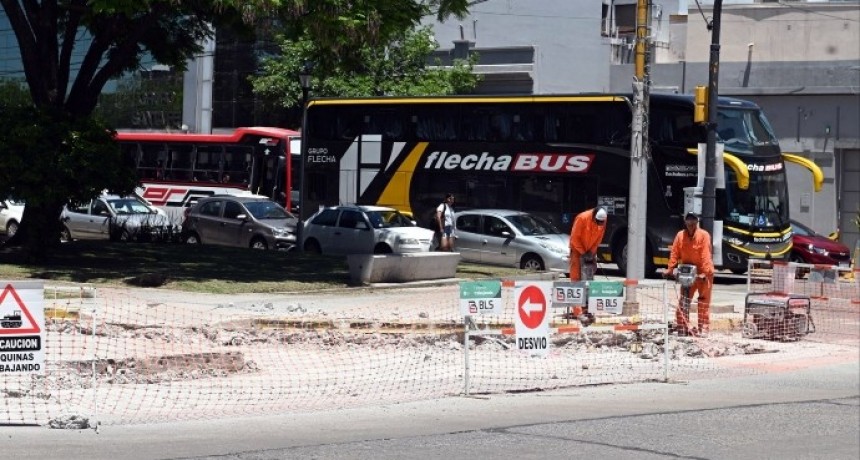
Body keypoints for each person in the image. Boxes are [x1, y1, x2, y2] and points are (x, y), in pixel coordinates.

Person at [665, 212, 715, 336]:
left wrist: (705, 273)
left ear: (697, 222)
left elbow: (705, 255)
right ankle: (682, 326)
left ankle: (703, 328)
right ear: (685, 222)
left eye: (693, 221)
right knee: (684, 300)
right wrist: (670, 269)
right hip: (688, 272)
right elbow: (674, 253)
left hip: (703, 273)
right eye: (688, 221)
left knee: (703, 301)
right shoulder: (680, 236)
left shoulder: (703, 235)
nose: (691, 224)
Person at [568, 207, 607, 281]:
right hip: (577, 249)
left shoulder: (603, 219)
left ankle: (588, 286)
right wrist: (583, 252)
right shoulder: (582, 218)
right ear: (594, 217)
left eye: (601, 223)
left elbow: (599, 238)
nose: (600, 224)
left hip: (590, 250)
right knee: (576, 272)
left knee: (589, 272)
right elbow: (574, 238)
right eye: (598, 222)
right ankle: (576, 286)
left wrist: (591, 251)